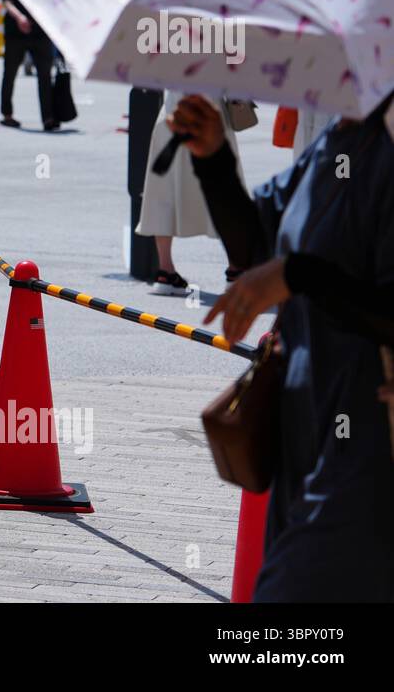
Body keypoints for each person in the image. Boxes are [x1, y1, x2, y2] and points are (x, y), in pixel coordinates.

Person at [171, 92, 394, 601]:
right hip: (304, 427)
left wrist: (298, 276)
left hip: (368, 441)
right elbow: (256, 245)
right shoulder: (340, 139)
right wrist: (214, 158)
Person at [137, 90, 246, 295]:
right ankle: (235, 270)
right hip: (210, 113)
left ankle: (165, 271)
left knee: (163, 193)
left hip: (172, 115)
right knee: (225, 193)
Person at [0, 0, 57, 131]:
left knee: (45, 74)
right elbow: (7, 1)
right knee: (10, 72)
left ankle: (48, 117)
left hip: (40, 29)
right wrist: (19, 17)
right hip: (15, 30)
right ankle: (7, 114)